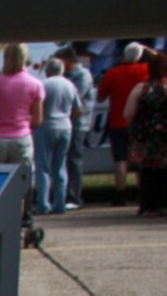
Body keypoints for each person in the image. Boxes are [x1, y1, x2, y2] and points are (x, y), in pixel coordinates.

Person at [126, 52, 167, 218]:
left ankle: (147, 206)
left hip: (145, 136)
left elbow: (128, 113)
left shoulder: (141, 88)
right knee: (164, 172)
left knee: (146, 172)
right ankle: (163, 205)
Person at [98, 43, 151, 202]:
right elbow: (165, 61)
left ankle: (121, 193)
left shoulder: (112, 73)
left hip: (118, 120)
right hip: (140, 121)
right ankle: (144, 192)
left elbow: (101, 96)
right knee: (141, 158)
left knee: (120, 159)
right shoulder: (145, 70)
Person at [0, 43, 44, 173]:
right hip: (21, 138)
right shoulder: (35, 84)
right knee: (20, 186)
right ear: (26, 58)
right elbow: (37, 120)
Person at [34, 56, 82, 215]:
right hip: (65, 126)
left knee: (43, 166)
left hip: (46, 125)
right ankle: (60, 203)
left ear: (48, 70)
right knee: (60, 166)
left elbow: (37, 106)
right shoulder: (70, 85)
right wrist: (69, 118)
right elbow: (78, 109)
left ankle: (43, 204)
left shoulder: (44, 84)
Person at [59, 44, 95, 208]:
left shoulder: (81, 75)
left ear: (69, 61)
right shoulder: (67, 75)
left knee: (74, 159)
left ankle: (75, 197)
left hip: (78, 124)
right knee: (66, 160)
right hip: (67, 123)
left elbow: (74, 97)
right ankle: (66, 194)